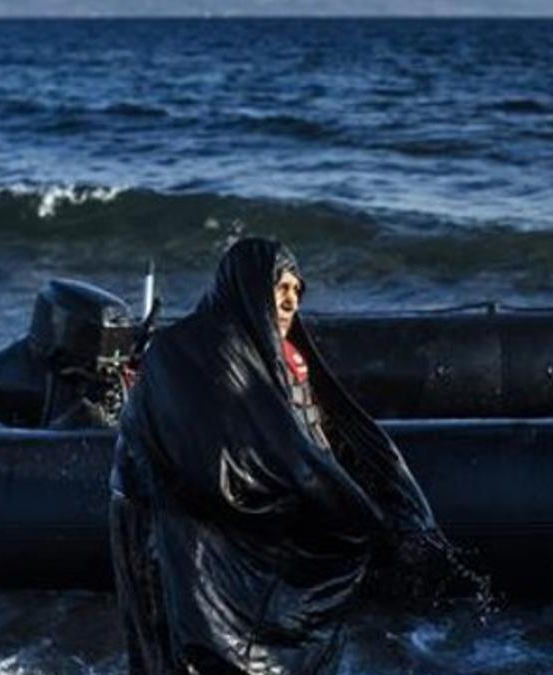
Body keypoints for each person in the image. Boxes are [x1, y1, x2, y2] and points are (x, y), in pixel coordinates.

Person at [109, 237, 449, 675]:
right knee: (178, 641)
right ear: (250, 288)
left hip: (201, 518)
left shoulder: (265, 356)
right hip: (163, 519)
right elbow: (251, 458)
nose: (290, 301)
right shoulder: (199, 352)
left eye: (296, 290)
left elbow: (305, 442)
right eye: (280, 288)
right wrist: (360, 517)